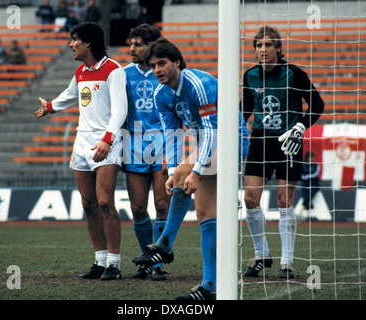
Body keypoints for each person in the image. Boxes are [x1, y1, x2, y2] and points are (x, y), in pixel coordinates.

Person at [132, 38, 249, 300]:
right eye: (152, 66)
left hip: (232, 139)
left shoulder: (199, 83)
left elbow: (211, 130)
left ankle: (168, 249)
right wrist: (174, 171)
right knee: (198, 205)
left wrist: (196, 171)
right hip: (210, 145)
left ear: (177, 62)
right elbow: (172, 136)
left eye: (162, 63)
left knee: (197, 197)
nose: (157, 70)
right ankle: (204, 282)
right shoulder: (160, 94)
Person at [34, 22, 127, 281]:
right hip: (82, 143)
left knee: (105, 202)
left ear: (88, 43)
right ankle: (100, 261)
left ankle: (115, 264)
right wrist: (50, 106)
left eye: (74, 39)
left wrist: (107, 140)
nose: (70, 44)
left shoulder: (114, 70)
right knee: (88, 204)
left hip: (107, 143)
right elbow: (70, 94)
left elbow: (120, 111)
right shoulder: (81, 72)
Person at [241, 26, 325, 279]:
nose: (262, 50)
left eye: (268, 45)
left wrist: (300, 127)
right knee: (250, 200)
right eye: (258, 46)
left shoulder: (294, 74)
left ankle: (286, 261)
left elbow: (317, 105)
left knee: (283, 201)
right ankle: (262, 254)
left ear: (278, 48)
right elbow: (244, 110)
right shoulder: (250, 75)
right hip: (260, 143)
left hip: (288, 144)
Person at [123, 24, 170, 281]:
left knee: (162, 205)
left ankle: (159, 261)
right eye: (131, 44)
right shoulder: (123, 74)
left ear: (151, 46)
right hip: (133, 144)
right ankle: (146, 260)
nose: (132, 48)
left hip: (163, 142)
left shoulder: (164, 72)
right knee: (138, 207)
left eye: (138, 44)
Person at [296, 151, 320, 220]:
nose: (312, 159)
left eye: (313, 157)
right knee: (305, 195)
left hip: (314, 184)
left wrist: (307, 177)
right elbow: (301, 175)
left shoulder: (316, 165)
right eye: (310, 157)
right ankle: (304, 213)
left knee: (310, 195)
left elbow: (315, 174)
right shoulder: (303, 165)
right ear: (307, 158)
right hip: (305, 184)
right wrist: (306, 177)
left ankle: (300, 211)